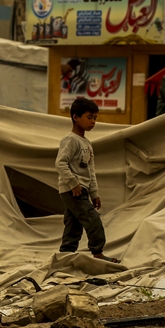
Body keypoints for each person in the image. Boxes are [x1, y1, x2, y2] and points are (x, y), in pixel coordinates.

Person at [55, 97, 120, 264]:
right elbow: (60, 163)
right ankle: (98, 254)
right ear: (76, 117)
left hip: (82, 190)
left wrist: (94, 193)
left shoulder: (87, 143)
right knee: (93, 221)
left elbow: (90, 171)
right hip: (72, 191)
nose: (93, 122)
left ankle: (65, 256)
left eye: (95, 118)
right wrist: (73, 183)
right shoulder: (70, 140)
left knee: (73, 225)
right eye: (89, 117)